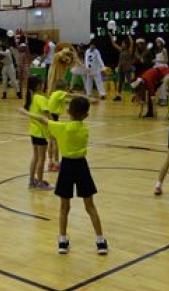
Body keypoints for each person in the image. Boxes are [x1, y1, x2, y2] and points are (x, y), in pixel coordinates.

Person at [26, 97, 108, 255]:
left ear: (68, 111)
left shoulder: (62, 128)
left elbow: (43, 119)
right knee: (90, 206)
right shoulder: (84, 129)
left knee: (64, 207)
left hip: (67, 167)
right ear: (86, 115)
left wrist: (26, 112)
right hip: (82, 166)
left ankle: (63, 240)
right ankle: (100, 241)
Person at [20, 75, 52, 190]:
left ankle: (31, 181)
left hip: (33, 132)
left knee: (35, 156)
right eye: (41, 84)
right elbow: (47, 115)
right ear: (38, 86)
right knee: (42, 158)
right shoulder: (41, 98)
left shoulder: (31, 98)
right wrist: (54, 127)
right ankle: (40, 183)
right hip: (41, 132)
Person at [111, 35, 133, 101]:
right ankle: (118, 96)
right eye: (122, 43)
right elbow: (114, 44)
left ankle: (134, 96)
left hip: (127, 68)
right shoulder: (121, 50)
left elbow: (132, 43)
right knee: (120, 82)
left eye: (123, 43)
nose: (122, 44)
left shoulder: (129, 50)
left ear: (126, 44)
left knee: (130, 82)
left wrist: (129, 36)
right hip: (121, 68)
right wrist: (111, 37)